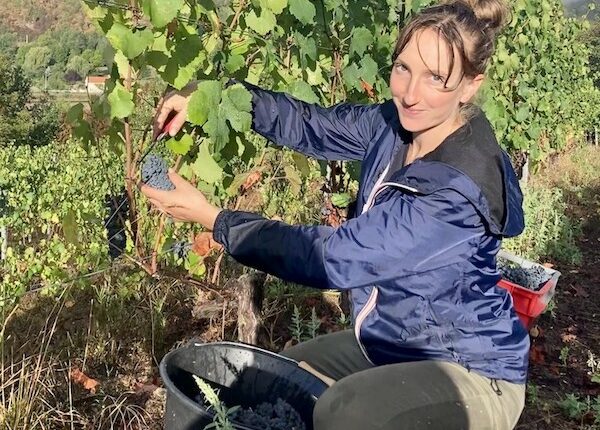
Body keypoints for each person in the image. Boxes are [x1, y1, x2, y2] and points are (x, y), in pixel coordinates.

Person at [142, 0, 529, 428]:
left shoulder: (454, 192)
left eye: (436, 77)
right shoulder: (394, 125)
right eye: (403, 68)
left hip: (468, 370)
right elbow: (312, 124)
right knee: (271, 381)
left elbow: (331, 257)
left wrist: (214, 219)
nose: (410, 93)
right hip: (387, 344)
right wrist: (214, 97)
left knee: (343, 413)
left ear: (471, 85)